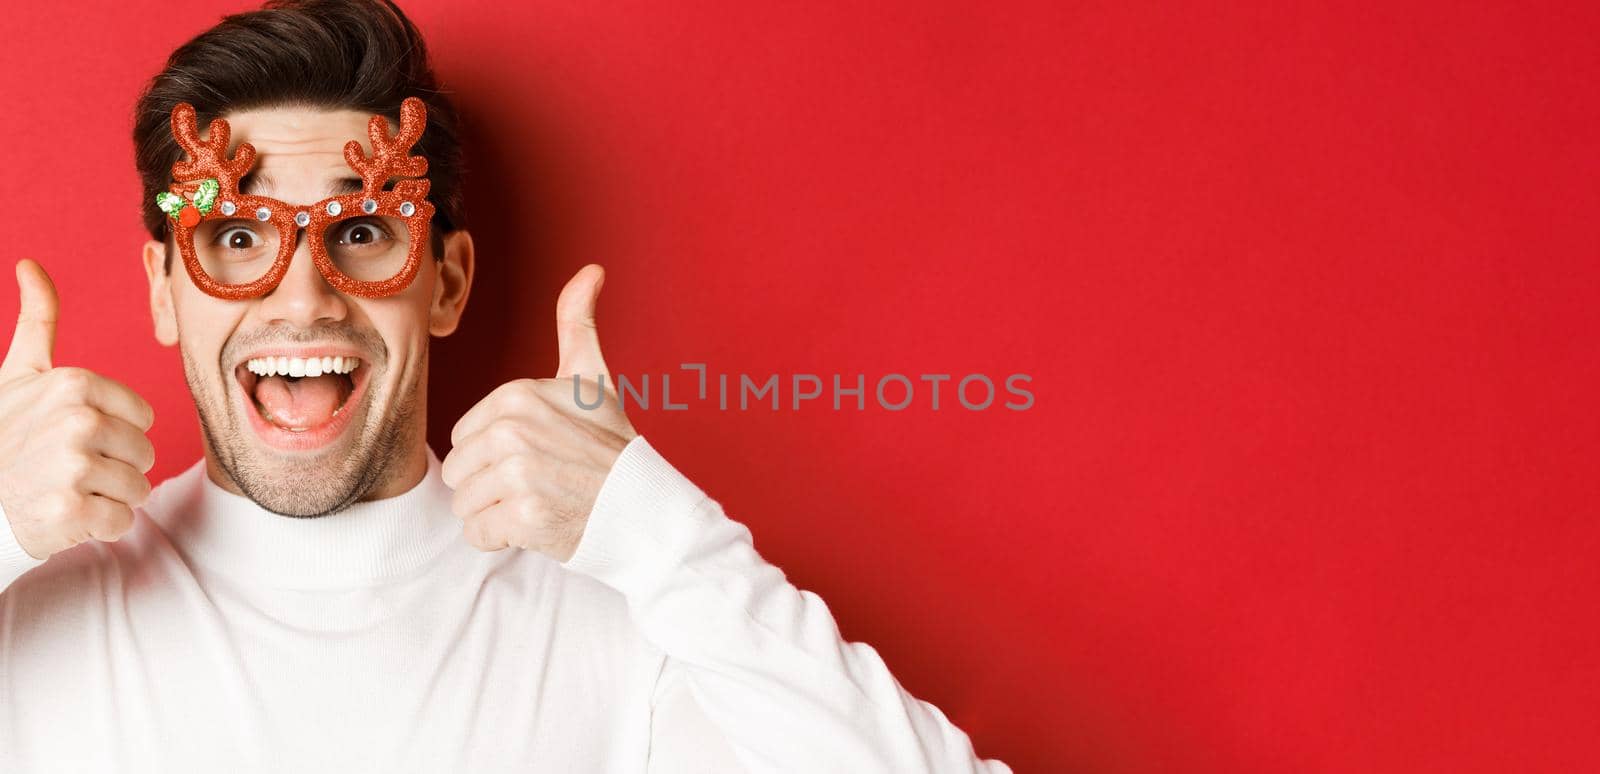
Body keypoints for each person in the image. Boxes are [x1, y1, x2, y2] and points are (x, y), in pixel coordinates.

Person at [0, 1, 1011, 772]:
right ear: (166, 293)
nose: (302, 297)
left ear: (444, 281)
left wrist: (663, 540)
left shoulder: (626, 627)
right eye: (233, 237)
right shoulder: (34, 612)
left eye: (358, 232)